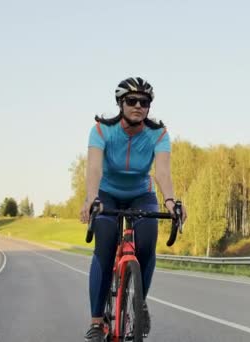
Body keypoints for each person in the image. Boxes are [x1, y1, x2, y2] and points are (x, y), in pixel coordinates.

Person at [80, 77, 187, 342]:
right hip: (107, 194)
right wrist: (91, 199)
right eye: (132, 101)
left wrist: (171, 202)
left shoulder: (158, 134)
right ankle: (96, 322)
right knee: (104, 248)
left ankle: (138, 302)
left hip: (142, 194)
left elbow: (162, 172)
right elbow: (94, 167)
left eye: (144, 102)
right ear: (120, 103)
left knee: (148, 241)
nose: (138, 106)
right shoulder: (102, 130)